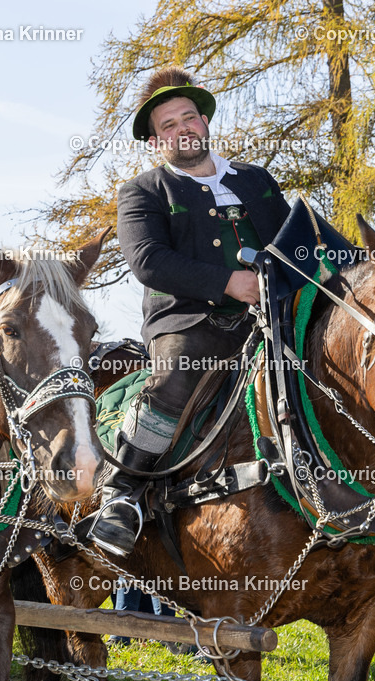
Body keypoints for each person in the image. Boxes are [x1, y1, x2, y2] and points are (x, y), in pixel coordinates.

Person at [88, 67, 292, 557]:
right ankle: (123, 493)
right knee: (175, 380)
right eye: (168, 126)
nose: (182, 129)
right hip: (189, 324)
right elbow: (148, 260)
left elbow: (300, 241)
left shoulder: (256, 181)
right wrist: (230, 283)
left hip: (272, 320)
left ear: (205, 122)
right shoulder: (143, 191)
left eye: (188, 118)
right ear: (156, 141)